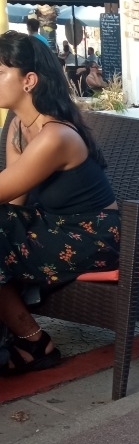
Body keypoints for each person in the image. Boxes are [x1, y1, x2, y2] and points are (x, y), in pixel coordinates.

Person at [0, 31, 119, 374]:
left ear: (29, 80)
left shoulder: (55, 135)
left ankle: (34, 342)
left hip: (91, 236)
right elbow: (15, 198)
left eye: (0, 72)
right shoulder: (19, 125)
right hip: (51, 226)